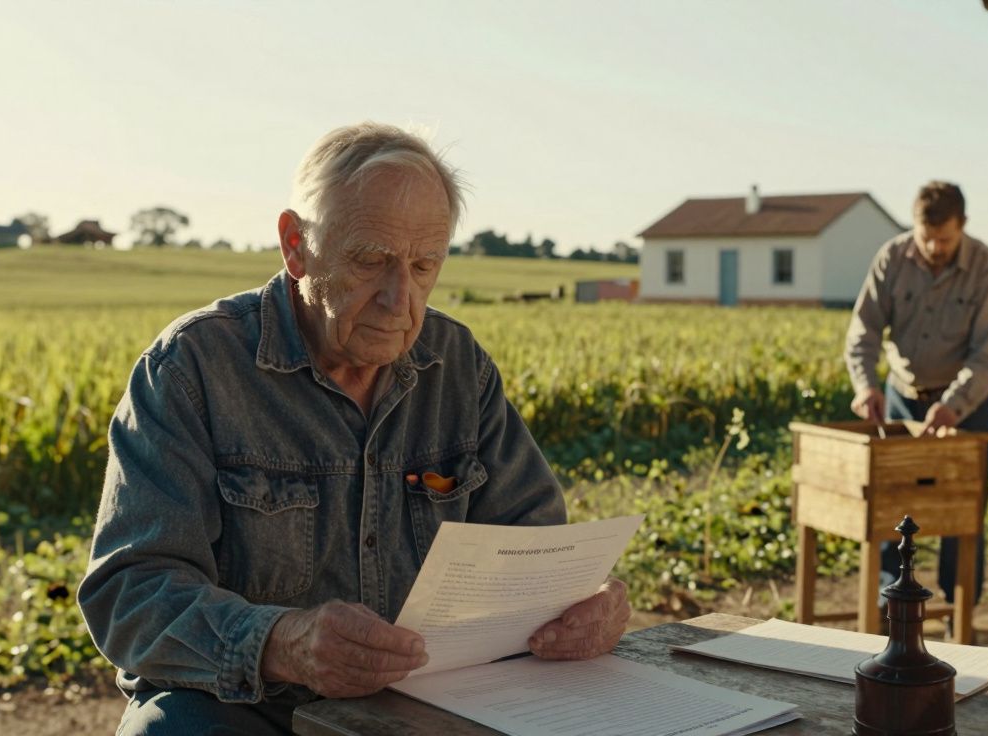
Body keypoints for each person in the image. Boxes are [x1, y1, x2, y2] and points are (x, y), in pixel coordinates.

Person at [77, 122, 631, 735]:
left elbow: (536, 544)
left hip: (430, 700)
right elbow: (130, 595)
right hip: (246, 708)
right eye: (371, 261)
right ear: (295, 245)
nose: (401, 299)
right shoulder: (193, 369)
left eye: (425, 265)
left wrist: (586, 604)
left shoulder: (458, 366)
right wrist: (283, 642)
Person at [843, 181, 988, 606]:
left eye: (945, 238)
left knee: (961, 512)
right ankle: (889, 608)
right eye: (926, 236)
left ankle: (959, 612)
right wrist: (866, 386)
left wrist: (952, 406)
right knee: (892, 507)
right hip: (900, 398)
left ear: (963, 225)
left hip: (964, 407)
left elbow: (986, 358)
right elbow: (863, 333)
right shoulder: (891, 258)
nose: (935, 246)